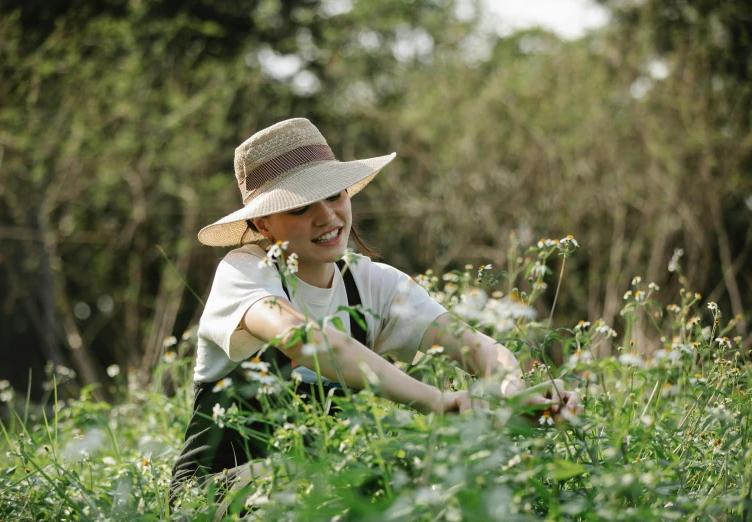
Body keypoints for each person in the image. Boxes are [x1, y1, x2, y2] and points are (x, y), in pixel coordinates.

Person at [170, 118, 582, 502]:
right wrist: (436, 401)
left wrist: (509, 390)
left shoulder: (373, 283)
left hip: (327, 483)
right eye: (300, 208)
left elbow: (476, 346)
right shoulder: (245, 271)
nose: (327, 216)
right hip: (217, 494)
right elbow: (301, 338)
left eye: (334, 196)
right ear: (263, 225)